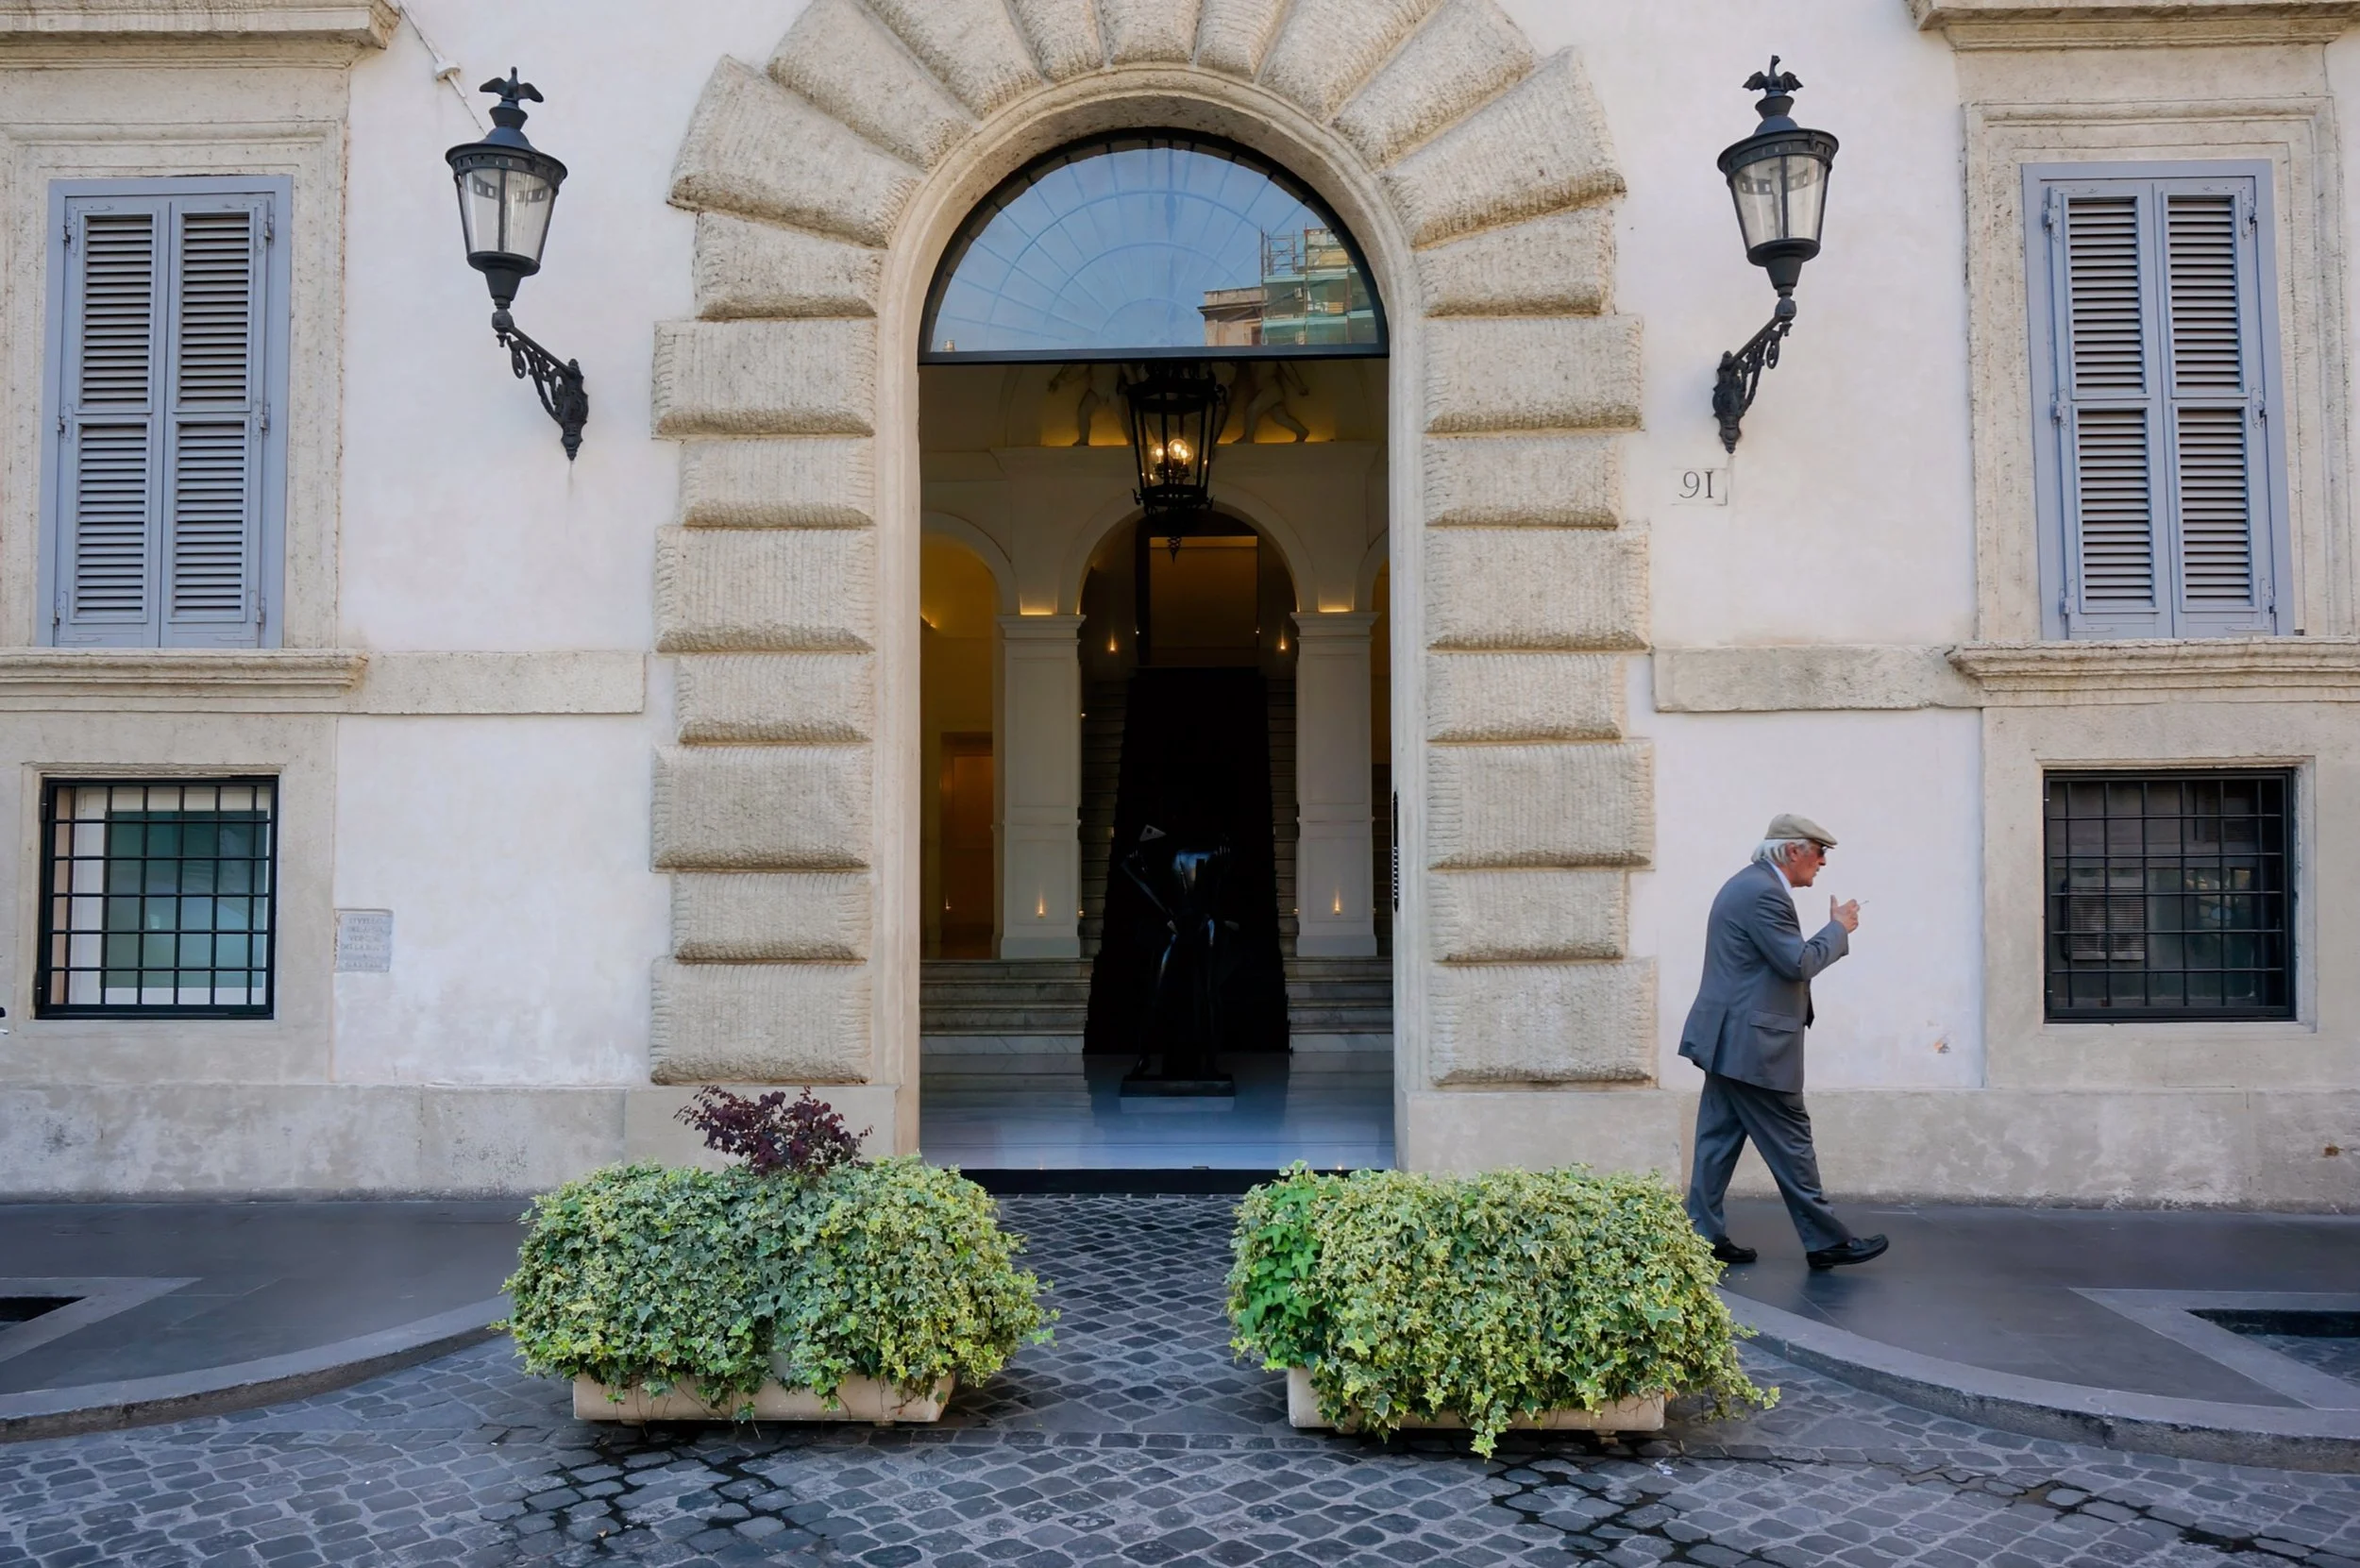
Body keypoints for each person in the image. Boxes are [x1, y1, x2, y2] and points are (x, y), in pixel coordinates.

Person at [1678, 814, 1888, 1271]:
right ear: (1793, 851)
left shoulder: (1750, 885)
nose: (1824, 863)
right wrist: (1839, 928)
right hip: (1752, 1045)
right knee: (1791, 1140)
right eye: (1820, 852)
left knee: (1717, 1141)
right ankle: (1826, 1241)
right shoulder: (1763, 894)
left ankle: (1700, 1235)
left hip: (1731, 1040)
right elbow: (1797, 963)